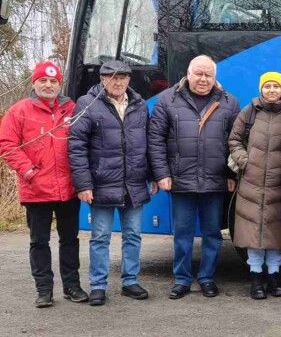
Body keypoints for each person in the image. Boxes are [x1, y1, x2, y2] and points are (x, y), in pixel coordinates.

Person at [67, 60, 166, 306]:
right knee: (100, 236)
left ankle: (130, 281)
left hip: (133, 183)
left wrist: (153, 174)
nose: (117, 82)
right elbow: (76, 147)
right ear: (102, 79)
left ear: (129, 80)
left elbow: (149, 143)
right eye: (111, 77)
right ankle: (98, 285)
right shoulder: (87, 104)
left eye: (122, 77)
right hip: (101, 183)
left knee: (133, 235)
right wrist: (83, 184)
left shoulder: (140, 105)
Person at [148, 55, 240, 299]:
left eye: (208, 75)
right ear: (188, 74)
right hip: (180, 180)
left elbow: (236, 142)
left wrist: (231, 174)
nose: (203, 79)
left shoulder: (230, 103)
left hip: (215, 180)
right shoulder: (167, 99)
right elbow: (155, 140)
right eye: (198, 73)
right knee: (183, 234)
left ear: (215, 77)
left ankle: (207, 278)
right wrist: (161, 173)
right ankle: (182, 279)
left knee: (212, 234)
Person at [0, 61, 88, 308]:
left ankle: (72, 286)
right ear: (34, 83)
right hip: (36, 189)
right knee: (39, 241)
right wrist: (28, 171)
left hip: (68, 188)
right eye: (43, 81)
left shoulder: (72, 109)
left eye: (53, 81)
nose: (48, 85)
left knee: (69, 239)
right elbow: (7, 145)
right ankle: (44, 290)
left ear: (59, 84)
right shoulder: (19, 111)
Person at [228, 71, 281, 300]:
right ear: (261, 88)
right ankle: (256, 278)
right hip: (251, 183)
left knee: (275, 233)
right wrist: (245, 160)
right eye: (267, 86)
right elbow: (234, 139)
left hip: (278, 184)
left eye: (276, 86)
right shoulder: (249, 112)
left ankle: (274, 276)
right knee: (253, 233)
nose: (271, 90)